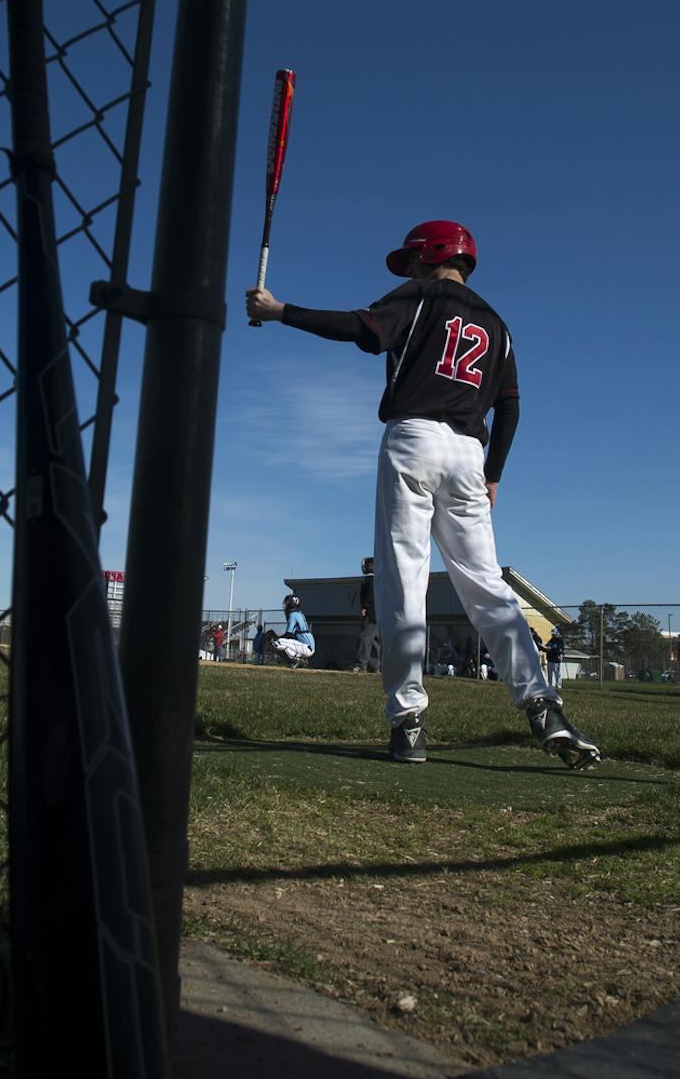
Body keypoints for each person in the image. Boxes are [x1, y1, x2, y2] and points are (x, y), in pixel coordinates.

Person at [245, 219, 599, 768]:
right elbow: (510, 406)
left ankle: (408, 722)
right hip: (468, 456)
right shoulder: (499, 325)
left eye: (412, 258)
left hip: (413, 438)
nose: (407, 268)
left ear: (432, 254)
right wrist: (494, 473)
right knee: (487, 586)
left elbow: (361, 329)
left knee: (402, 580)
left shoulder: (423, 293)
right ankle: (543, 706)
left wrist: (280, 311)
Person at [271, 592, 315, 666]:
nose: (285, 606)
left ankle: (295, 661)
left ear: (292, 604)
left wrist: (277, 637)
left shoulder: (293, 615)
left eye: (287, 604)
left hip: (306, 647)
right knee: (282, 642)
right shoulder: (299, 613)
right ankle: (300, 660)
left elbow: (289, 634)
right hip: (307, 646)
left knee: (276, 642)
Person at [354, 558, 379, 672]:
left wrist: (364, 607)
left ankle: (361, 664)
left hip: (371, 612)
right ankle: (375, 665)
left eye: (367, 565)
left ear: (372, 566)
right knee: (374, 640)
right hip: (378, 613)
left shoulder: (369, 579)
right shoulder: (380, 579)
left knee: (365, 637)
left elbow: (369, 596)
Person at [545, 626, 565, 691]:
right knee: (549, 673)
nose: (552, 634)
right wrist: (544, 648)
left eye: (554, 633)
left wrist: (552, 649)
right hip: (550, 659)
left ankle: (558, 685)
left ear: (557, 633)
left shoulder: (560, 640)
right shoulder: (551, 640)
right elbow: (546, 646)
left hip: (556, 660)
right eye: (552, 633)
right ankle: (550, 685)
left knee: (557, 673)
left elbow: (560, 650)